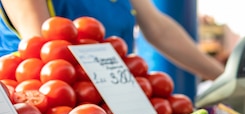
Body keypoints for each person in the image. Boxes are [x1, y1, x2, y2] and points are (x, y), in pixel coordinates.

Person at [0, 0, 226, 81]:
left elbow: (159, 28)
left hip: (109, 97)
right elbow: (44, 49)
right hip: (40, 113)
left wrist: (224, 77)